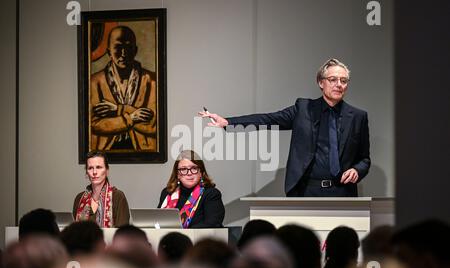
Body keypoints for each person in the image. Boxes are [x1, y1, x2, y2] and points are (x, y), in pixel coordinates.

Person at [199, 58, 370, 196]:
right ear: (320, 82)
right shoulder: (304, 109)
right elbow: (268, 119)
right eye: (333, 79)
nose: (339, 84)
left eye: (344, 80)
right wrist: (228, 122)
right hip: (306, 191)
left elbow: (364, 158)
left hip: (342, 192)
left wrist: (357, 169)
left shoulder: (358, 116)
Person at [90, 25, 157, 151]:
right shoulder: (94, 82)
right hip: (105, 152)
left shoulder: (152, 81)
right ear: (109, 51)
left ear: (135, 50)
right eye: (118, 47)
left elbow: (153, 124)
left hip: (144, 152)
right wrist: (131, 118)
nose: (123, 53)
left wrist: (118, 110)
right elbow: (95, 125)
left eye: (128, 47)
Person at [157, 150, 225, 228]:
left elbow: (212, 224)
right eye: (183, 169)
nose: (189, 173)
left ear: (201, 173)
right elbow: (157, 222)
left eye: (194, 168)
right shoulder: (167, 193)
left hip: (199, 239)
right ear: (177, 174)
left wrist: (181, 233)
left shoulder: (211, 194)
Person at [73, 151, 130, 227]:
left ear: (107, 171)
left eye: (99, 167)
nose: (94, 172)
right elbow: (74, 232)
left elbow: (122, 233)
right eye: (90, 168)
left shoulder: (117, 196)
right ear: (86, 173)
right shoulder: (79, 198)